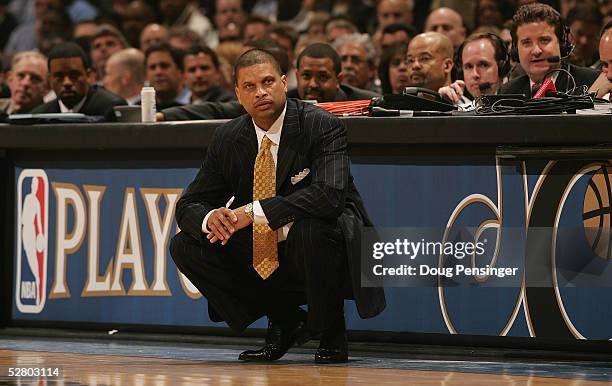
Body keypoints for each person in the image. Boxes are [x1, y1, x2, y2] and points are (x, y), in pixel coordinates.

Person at [170, 49, 385, 363]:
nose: (261, 92)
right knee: (185, 245)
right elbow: (189, 203)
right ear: (238, 94)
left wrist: (253, 212)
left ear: (285, 83)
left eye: (268, 82)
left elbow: (329, 196)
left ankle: (330, 328)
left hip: (324, 238)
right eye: (250, 86)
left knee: (311, 229)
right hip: (264, 244)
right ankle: (284, 319)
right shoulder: (228, 137)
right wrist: (211, 218)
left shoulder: (320, 125)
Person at [499, 3, 600, 96]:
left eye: (544, 40)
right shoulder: (507, 93)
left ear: (562, 44)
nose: (536, 51)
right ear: (516, 51)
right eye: (527, 42)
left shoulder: (593, 82)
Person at [31, 42, 126, 121]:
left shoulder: (112, 108)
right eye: (59, 76)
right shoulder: (40, 116)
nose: (67, 83)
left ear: (88, 76)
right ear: (49, 80)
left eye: (74, 75)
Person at [289, 42, 381, 102]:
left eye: (322, 77)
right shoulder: (283, 103)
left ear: (338, 80)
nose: (313, 84)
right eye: (306, 76)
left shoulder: (368, 103)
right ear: (297, 77)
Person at [438, 33, 509, 106]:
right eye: (469, 67)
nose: (475, 74)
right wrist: (443, 105)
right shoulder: (462, 105)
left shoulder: (519, 101)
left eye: (483, 65)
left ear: (502, 67)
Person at [144, 42, 190, 109]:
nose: (158, 72)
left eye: (164, 66)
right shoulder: (140, 108)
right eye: (152, 67)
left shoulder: (197, 105)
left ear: (180, 71)